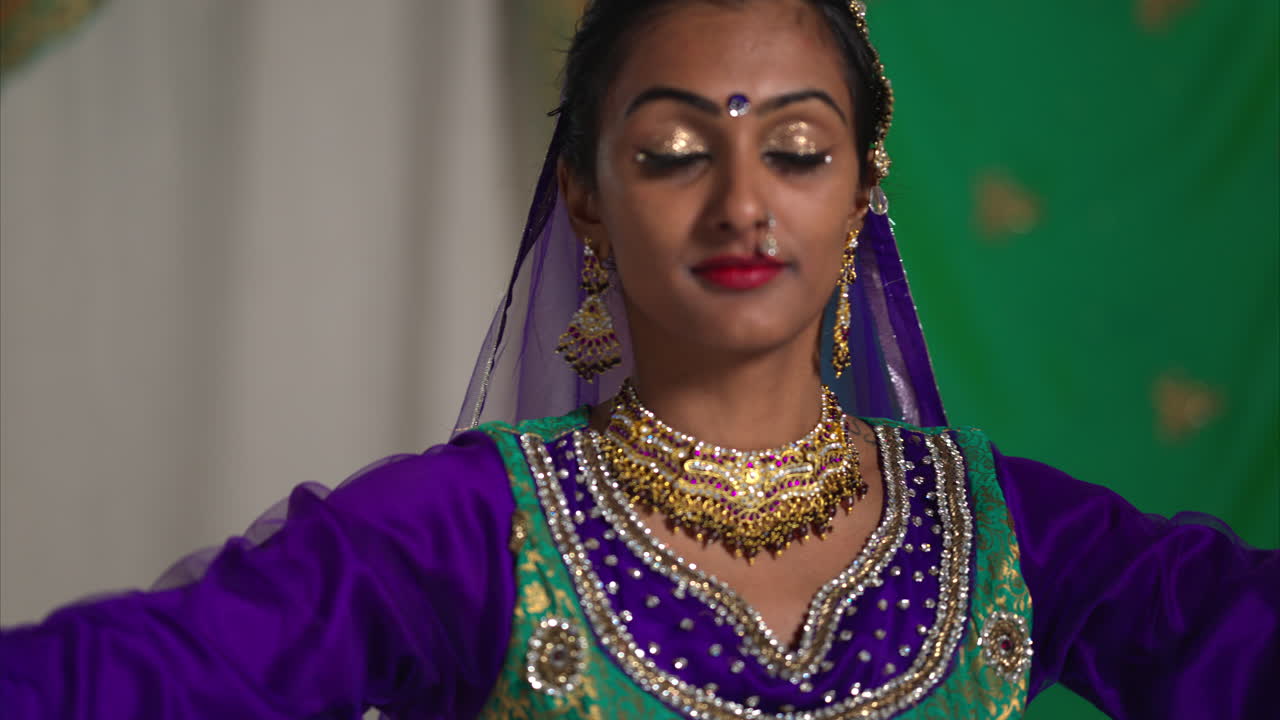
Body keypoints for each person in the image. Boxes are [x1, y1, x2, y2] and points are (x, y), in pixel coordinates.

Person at [2, 1, 1276, 718]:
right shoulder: (465, 532)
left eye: (795, 149)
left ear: (859, 195)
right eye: (671, 150)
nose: (740, 203)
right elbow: (149, 677)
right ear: (588, 198)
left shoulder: (1004, 533)